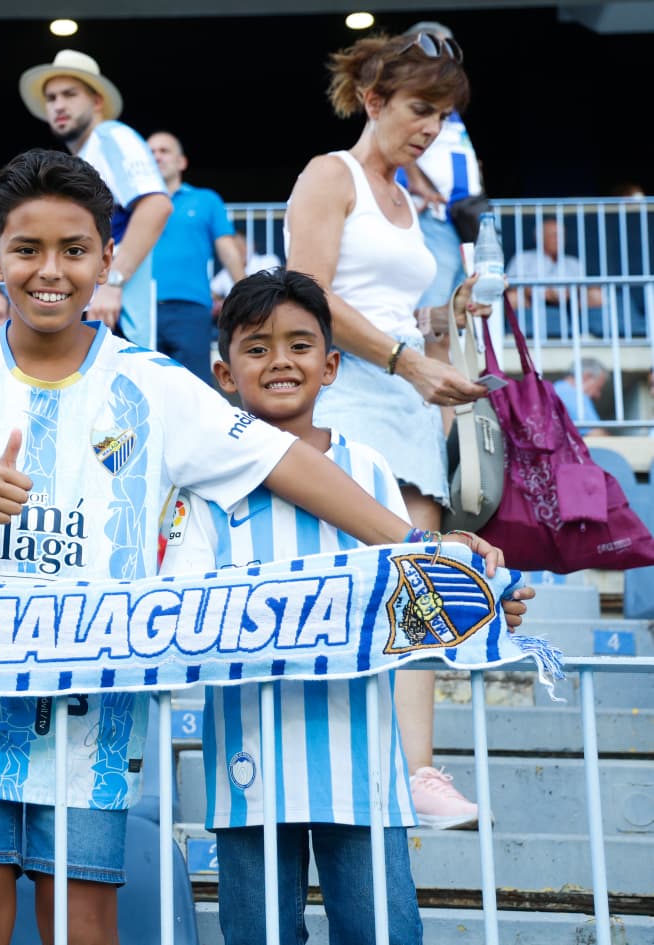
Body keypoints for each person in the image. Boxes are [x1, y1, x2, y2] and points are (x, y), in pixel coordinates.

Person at [0, 148, 520, 945]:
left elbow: (286, 462)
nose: (50, 270)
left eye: (74, 249)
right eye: (27, 249)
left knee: (81, 929)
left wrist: (423, 545)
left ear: (109, 256)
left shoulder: (156, 384)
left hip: (92, 720)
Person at [162, 269, 420, 942]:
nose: (280, 360)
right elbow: (183, 604)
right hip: (249, 768)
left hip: (360, 760)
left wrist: (486, 604)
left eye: (300, 344)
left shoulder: (367, 468)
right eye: (256, 347)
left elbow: (416, 587)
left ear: (331, 365)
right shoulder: (206, 483)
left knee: (382, 931)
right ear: (223, 372)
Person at [284, 30, 494, 826]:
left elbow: (387, 309)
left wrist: (446, 317)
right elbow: (305, 288)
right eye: (420, 109)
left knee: (422, 586)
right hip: (344, 395)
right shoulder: (327, 174)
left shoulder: (411, 201)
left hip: (404, 402)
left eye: (442, 116)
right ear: (373, 100)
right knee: (358, 583)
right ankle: (354, 762)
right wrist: (408, 359)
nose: (432, 128)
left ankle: (419, 770)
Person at [18, 49, 171, 348]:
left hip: (119, 314)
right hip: (102, 310)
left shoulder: (111, 136)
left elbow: (156, 205)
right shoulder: (88, 151)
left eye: (69, 94)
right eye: (51, 98)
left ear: (97, 100)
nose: (59, 105)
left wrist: (113, 281)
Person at [395, 22, 487, 333]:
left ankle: (443, 370)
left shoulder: (444, 102)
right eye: (437, 47)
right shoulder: (410, 93)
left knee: (457, 303)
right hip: (432, 214)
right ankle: (423, 372)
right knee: (434, 301)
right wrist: (417, 182)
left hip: (460, 214)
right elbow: (397, 138)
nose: (446, 57)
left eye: (450, 48)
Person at [146, 131, 244, 384]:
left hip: (190, 309)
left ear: (182, 162)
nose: (156, 156)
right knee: (140, 391)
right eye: (151, 152)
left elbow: (227, 249)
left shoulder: (206, 200)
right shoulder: (130, 206)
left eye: (164, 151)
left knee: (193, 388)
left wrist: (246, 294)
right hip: (139, 310)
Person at [507, 215, 606, 338]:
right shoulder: (523, 258)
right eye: (553, 235)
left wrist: (571, 291)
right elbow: (511, 285)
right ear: (539, 238)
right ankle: (519, 335)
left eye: (561, 235)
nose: (558, 239)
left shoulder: (573, 262)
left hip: (569, 304)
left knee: (596, 295)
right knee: (513, 298)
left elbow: (585, 286)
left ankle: (588, 334)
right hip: (532, 303)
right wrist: (541, 293)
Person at [210, 233, 282, 316]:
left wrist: (229, 303)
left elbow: (265, 290)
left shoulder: (268, 260)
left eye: (242, 246)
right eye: (235, 248)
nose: (239, 251)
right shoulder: (226, 272)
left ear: (252, 246)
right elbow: (212, 294)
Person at [554, 357, 610, 436]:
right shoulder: (575, 396)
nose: (598, 395)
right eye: (598, 388)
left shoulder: (556, 388)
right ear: (586, 377)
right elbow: (596, 434)